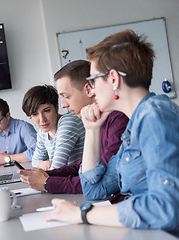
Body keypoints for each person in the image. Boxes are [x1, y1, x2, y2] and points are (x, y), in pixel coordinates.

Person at [45, 30, 179, 234]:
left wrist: (82, 214)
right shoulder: (135, 125)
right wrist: (92, 129)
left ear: (114, 79)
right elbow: (93, 190)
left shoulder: (154, 117)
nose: (91, 89)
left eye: (93, 80)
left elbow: (166, 208)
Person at [18, 60, 128, 200]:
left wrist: (47, 182)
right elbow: (82, 166)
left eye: (67, 96)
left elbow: (95, 184)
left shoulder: (118, 121)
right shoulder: (96, 119)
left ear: (89, 90)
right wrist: (46, 176)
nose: (63, 105)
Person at [22, 85, 85, 170]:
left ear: (56, 107)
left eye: (47, 111)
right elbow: (35, 161)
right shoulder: (43, 132)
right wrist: (41, 164)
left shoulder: (68, 122)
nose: (42, 119)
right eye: (34, 114)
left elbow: (57, 168)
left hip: (80, 179)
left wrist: (42, 166)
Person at [0, 98, 37, 165]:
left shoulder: (24, 128)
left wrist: (7, 158)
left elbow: (37, 153)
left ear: (8, 116)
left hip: (28, 172)